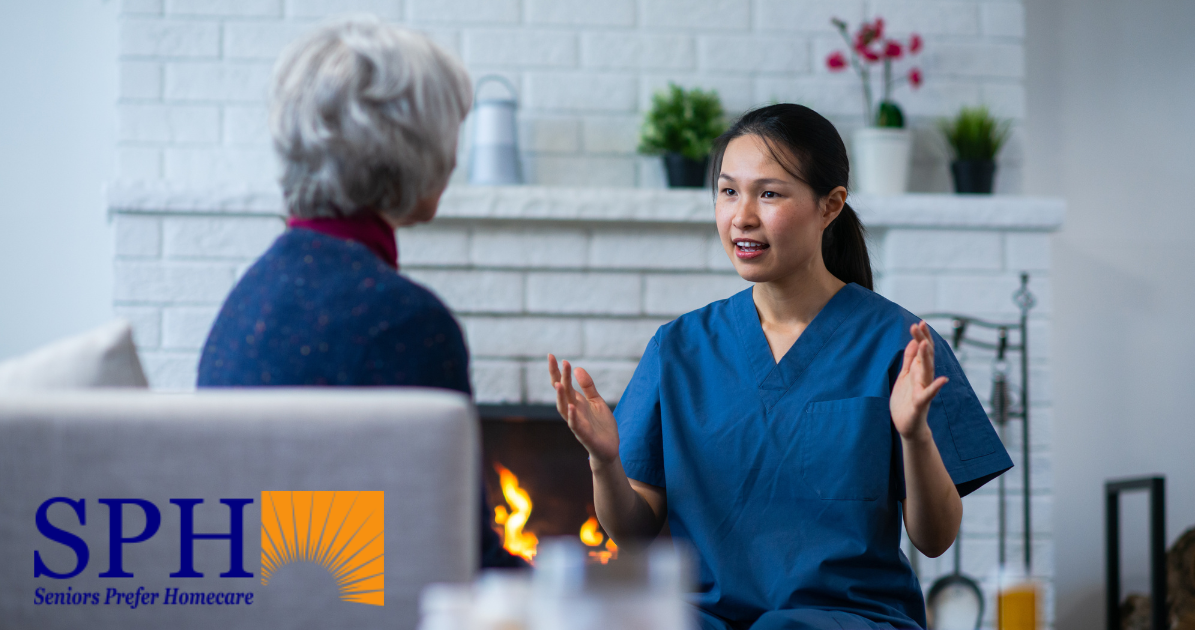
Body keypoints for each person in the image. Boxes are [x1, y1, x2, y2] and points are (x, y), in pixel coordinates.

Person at [548, 104, 1012, 629]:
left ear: (830, 206)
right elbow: (633, 534)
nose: (742, 215)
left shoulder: (899, 347)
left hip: (846, 618)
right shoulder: (678, 348)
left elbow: (934, 540)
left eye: (768, 193)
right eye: (728, 191)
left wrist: (914, 437)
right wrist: (605, 461)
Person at [196, 17, 524, 569]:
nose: (453, 159)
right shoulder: (402, 320)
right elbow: (458, 557)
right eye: (449, 134)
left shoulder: (246, 298)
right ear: (407, 148)